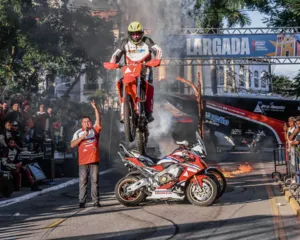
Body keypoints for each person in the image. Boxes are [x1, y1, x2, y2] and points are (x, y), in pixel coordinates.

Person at [110, 21, 162, 123]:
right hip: (129, 69)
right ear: (130, 34)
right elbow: (116, 54)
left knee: (149, 86)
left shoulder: (147, 41)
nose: (136, 36)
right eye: (133, 34)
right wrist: (113, 62)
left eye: (138, 33)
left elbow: (158, 50)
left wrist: (157, 60)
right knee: (121, 83)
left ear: (141, 33)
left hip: (145, 69)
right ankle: (123, 112)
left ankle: (149, 112)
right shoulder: (124, 42)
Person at [70, 100, 102, 208]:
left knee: (95, 181)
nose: (87, 123)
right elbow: (72, 145)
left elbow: (98, 120)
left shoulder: (95, 130)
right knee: (83, 182)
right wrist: (83, 136)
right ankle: (82, 201)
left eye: (88, 121)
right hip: (83, 162)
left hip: (94, 160)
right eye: (85, 122)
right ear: (82, 123)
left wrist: (95, 108)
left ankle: (96, 201)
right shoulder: (78, 132)